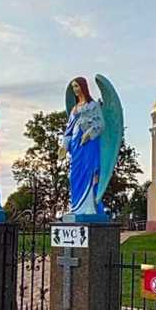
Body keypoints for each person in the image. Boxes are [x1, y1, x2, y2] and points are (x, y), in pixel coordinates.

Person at [59, 77, 105, 215]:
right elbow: (68, 130)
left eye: (77, 86)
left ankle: (89, 207)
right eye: (73, 87)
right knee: (74, 175)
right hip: (75, 147)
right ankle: (76, 208)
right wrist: (64, 146)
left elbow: (101, 124)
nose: (75, 89)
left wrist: (89, 134)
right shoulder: (74, 109)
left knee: (88, 172)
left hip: (89, 145)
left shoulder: (93, 106)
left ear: (83, 87)